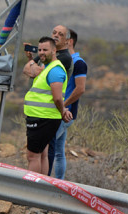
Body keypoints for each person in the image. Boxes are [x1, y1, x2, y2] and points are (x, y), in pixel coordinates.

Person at [22, 36, 72, 174]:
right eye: (40, 50)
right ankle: (41, 188)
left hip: (43, 118)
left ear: (54, 50)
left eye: (45, 49)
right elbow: (28, 71)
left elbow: (57, 98)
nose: (42, 52)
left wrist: (63, 111)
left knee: (33, 156)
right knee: (42, 153)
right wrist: (30, 58)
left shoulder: (55, 70)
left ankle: (32, 190)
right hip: (42, 117)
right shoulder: (47, 67)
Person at [48, 28, 87, 180]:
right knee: (59, 150)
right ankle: (59, 183)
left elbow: (80, 89)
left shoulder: (78, 63)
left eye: (61, 35)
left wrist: (63, 105)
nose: (56, 37)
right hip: (60, 111)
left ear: (69, 41)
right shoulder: (61, 60)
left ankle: (45, 184)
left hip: (65, 113)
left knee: (48, 148)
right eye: (54, 33)